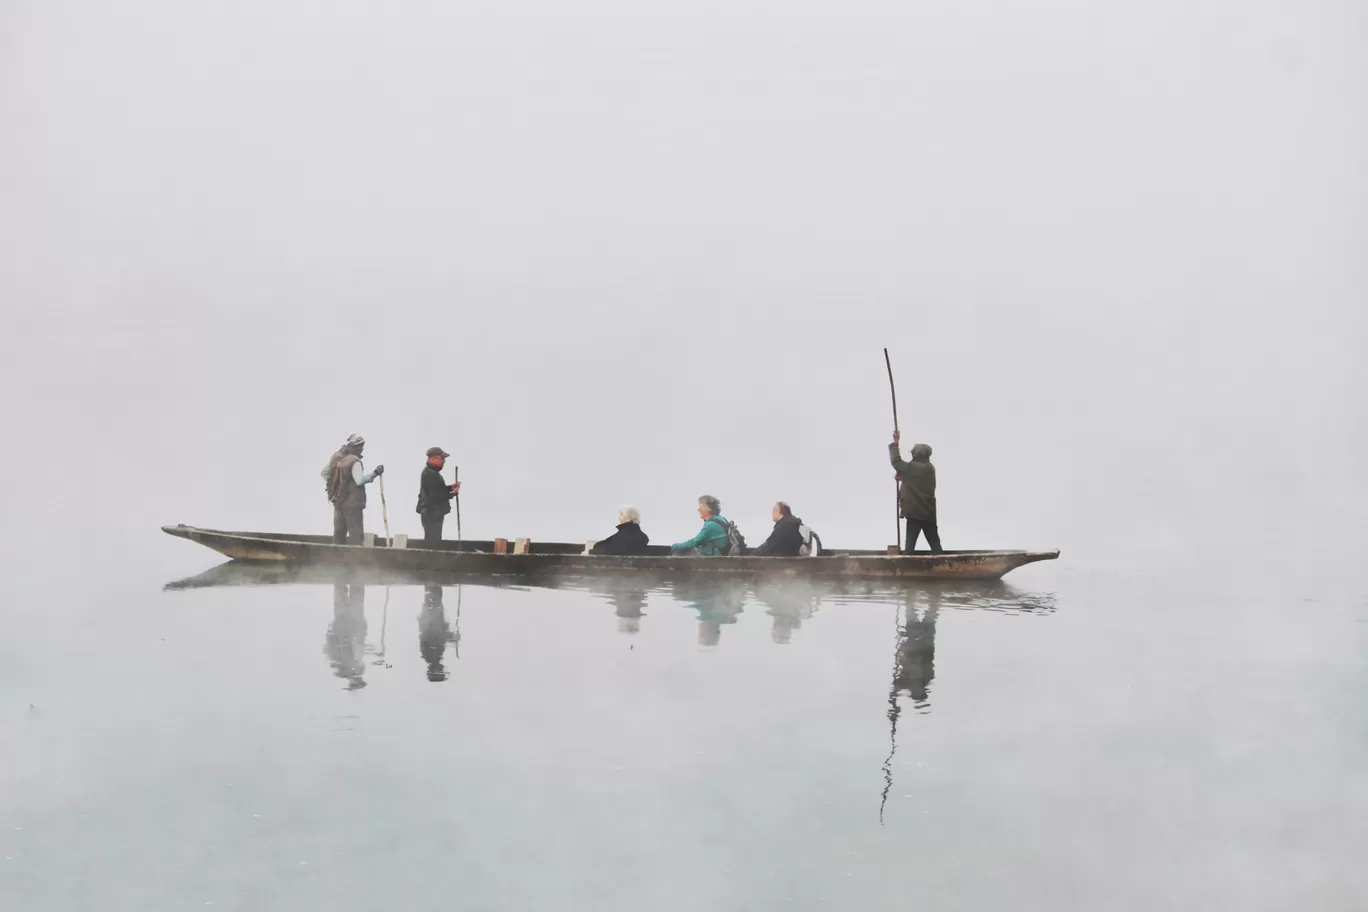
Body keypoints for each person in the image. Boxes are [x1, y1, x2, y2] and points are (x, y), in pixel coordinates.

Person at [322, 435, 384, 545]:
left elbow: (324, 473)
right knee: (356, 535)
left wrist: (335, 487)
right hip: (352, 505)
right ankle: (356, 560)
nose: (362, 449)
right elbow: (359, 480)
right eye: (361, 446)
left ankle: (335, 558)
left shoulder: (336, 457)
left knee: (339, 534)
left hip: (337, 502)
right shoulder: (354, 461)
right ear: (358, 447)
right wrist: (375, 473)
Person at [889, 430, 941, 553]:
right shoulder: (930, 468)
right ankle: (942, 561)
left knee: (910, 546)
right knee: (935, 543)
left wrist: (895, 443)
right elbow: (917, 483)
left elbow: (896, 462)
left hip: (915, 512)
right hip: (928, 512)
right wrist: (904, 478)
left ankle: (907, 562)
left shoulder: (911, 468)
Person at [415, 446, 461, 545]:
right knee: (433, 541)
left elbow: (436, 490)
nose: (444, 461)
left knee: (433, 539)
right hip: (432, 512)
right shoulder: (431, 474)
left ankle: (429, 557)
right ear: (433, 458)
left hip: (431, 511)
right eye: (442, 458)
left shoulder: (430, 473)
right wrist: (452, 494)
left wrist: (450, 488)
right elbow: (436, 496)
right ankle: (430, 559)